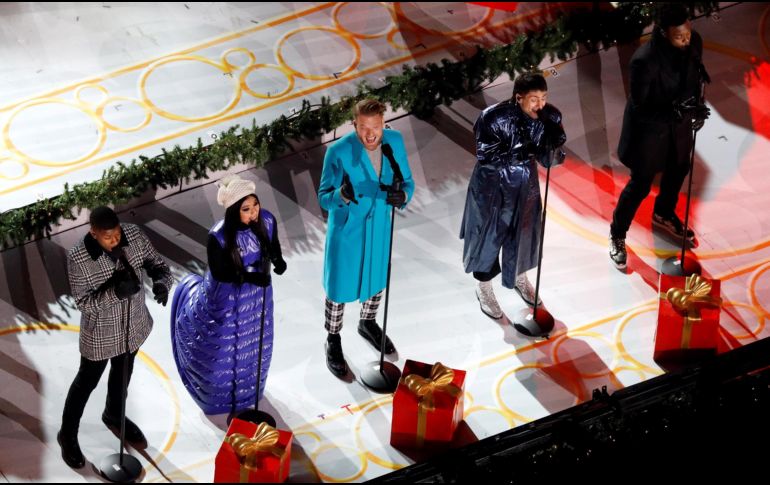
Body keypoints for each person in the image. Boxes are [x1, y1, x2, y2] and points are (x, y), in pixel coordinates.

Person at [58, 206, 173, 468]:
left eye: (117, 234)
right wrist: (115, 293)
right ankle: (67, 436)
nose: (115, 240)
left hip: (132, 325)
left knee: (123, 375)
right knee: (85, 383)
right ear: (94, 233)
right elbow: (84, 303)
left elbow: (158, 265)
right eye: (107, 237)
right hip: (100, 333)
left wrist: (161, 284)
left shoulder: (134, 236)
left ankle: (114, 414)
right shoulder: (78, 257)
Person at [170, 174, 286, 415]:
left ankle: (250, 390)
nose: (253, 212)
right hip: (227, 298)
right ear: (234, 210)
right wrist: (252, 276)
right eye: (246, 209)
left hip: (258, 297)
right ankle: (219, 396)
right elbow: (221, 274)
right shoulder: (219, 236)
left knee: (256, 341)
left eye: (255, 205)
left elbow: (272, 245)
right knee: (222, 344)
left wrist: (278, 260)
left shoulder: (267, 220)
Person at [318, 98, 415, 378]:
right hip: (348, 233)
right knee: (338, 291)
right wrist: (342, 195)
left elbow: (407, 181)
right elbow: (324, 198)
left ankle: (368, 322)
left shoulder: (394, 142)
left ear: (384, 123)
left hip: (379, 229)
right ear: (355, 125)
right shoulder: (338, 151)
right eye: (363, 128)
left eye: (376, 127)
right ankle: (333, 339)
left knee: (375, 281)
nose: (370, 134)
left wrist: (404, 195)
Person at [609, 4, 711, 269]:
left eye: (688, 34)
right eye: (680, 37)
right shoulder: (645, 60)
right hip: (649, 132)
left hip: (678, 125)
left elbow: (695, 78)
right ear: (665, 34)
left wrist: (698, 107)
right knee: (640, 184)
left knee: (679, 168)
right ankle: (617, 234)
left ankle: (664, 213)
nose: (686, 40)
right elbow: (640, 108)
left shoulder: (694, 42)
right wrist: (673, 112)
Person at [460, 72, 566, 319]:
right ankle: (483, 287)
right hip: (491, 188)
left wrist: (553, 145)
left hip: (524, 185)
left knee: (524, 232)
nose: (539, 104)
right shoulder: (492, 118)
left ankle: (519, 276)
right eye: (533, 99)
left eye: (543, 97)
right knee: (488, 236)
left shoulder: (550, 115)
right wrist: (520, 151)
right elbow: (486, 156)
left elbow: (547, 160)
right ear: (519, 98)